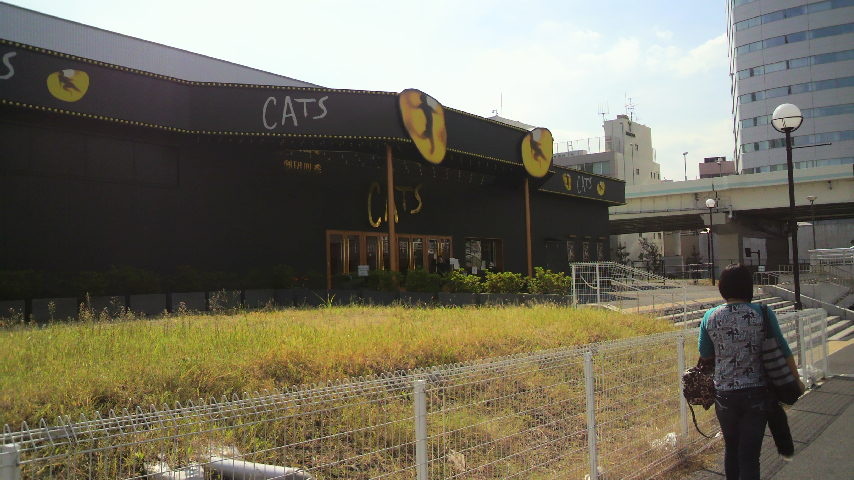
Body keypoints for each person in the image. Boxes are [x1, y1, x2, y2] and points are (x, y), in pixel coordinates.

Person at [698, 264, 804, 479]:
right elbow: (783, 350)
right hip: (757, 393)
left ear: (722, 288)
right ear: (748, 287)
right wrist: (796, 380)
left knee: (731, 449)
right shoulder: (762, 313)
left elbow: (705, 354)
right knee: (749, 455)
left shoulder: (710, 316)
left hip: (724, 394)